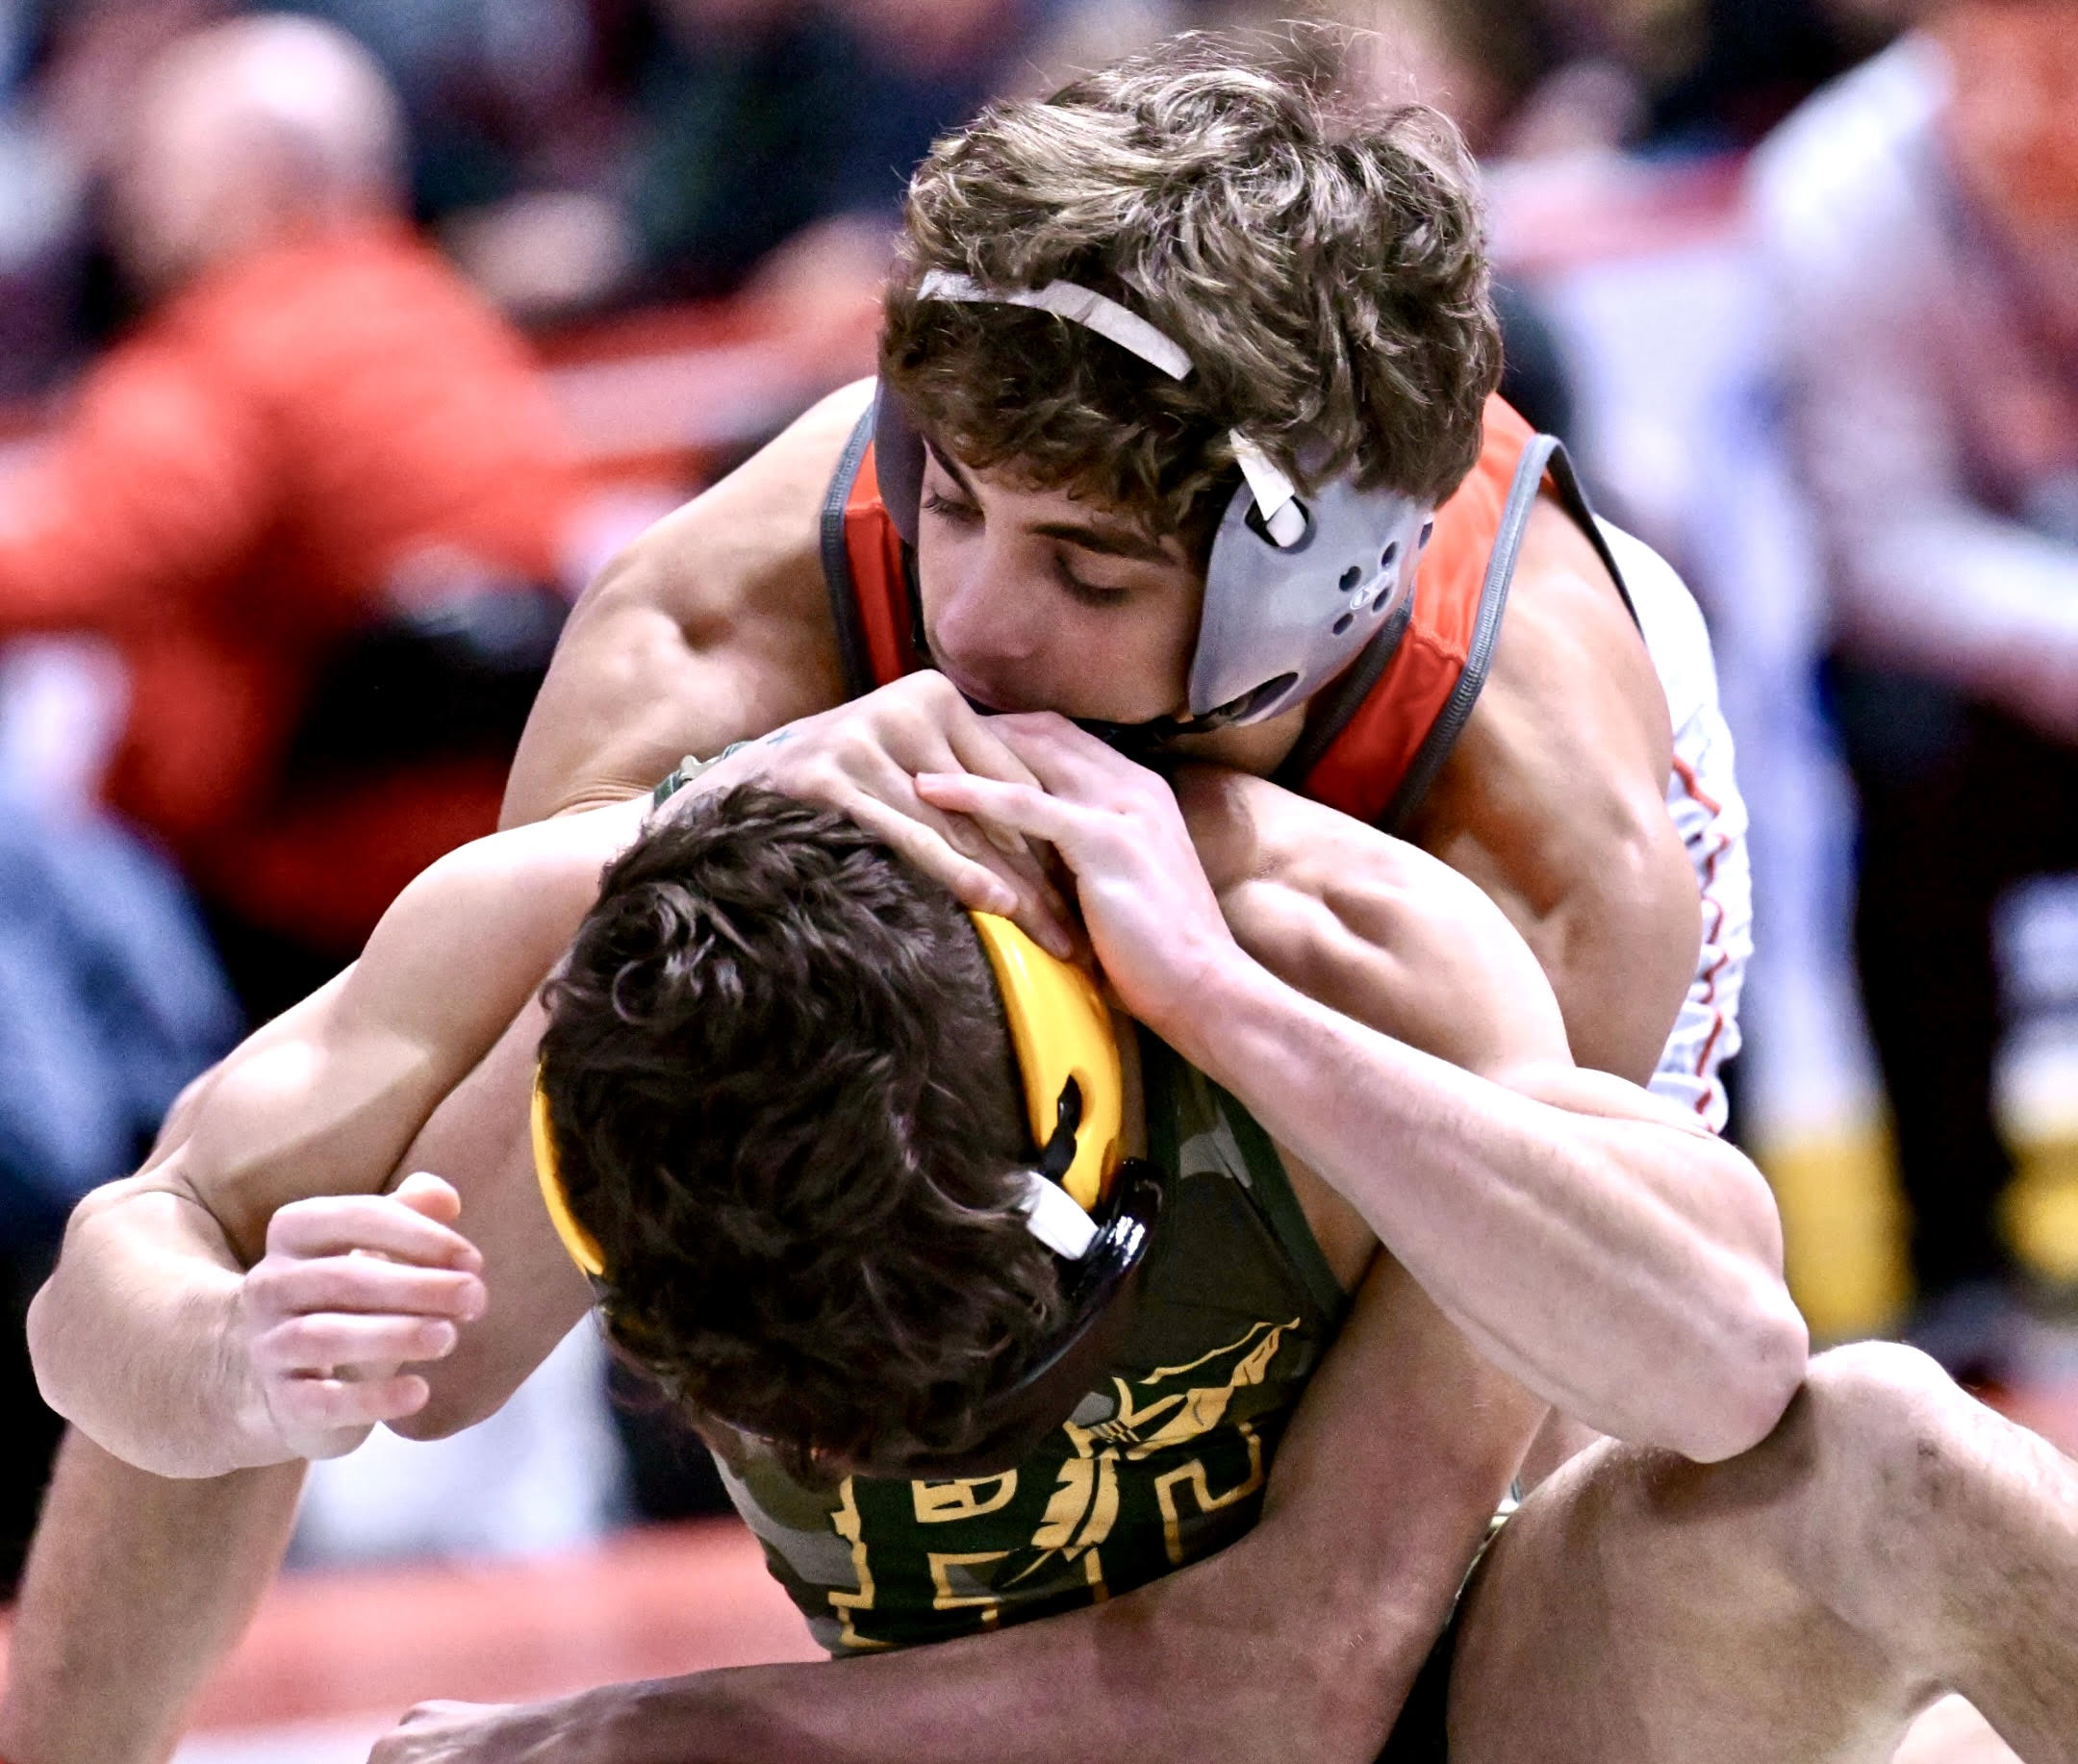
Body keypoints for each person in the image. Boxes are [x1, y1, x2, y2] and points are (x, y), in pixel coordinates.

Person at [0, 38, 1759, 1764]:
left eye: (1089, 566)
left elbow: (1318, 1646)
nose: (979, 627)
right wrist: (255, 1350)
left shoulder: (1541, 854)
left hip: (1399, 893)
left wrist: (660, 1730)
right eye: (958, 501)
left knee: (1465, 1611)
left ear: (1313, 591)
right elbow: (418, 1315)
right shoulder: (713, 649)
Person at [28, 742, 2077, 1764]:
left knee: (1888, 1445)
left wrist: (1235, 1015)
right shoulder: (609, 970)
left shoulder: (1326, 938)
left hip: (1456, 1695)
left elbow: (1300, 1676)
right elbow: (122, 1266)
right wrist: (227, 1358)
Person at [0, 13, 574, 1023]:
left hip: (292, 881)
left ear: (247, 182)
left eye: (154, 168)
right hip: (497, 844)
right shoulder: (451, 325)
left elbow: (74, 564)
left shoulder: (231, 356)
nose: (129, 205)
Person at [1749, 0, 2078, 1373]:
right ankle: (1960, 1259)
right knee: (1902, 740)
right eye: (2019, 46)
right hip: (1975, 659)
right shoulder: (1835, 188)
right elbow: (1878, 547)